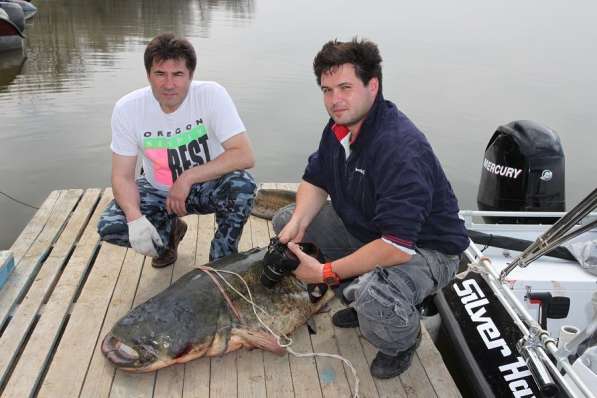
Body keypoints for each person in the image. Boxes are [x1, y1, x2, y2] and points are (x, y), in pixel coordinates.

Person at [273, 38, 469, 379]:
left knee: (375, 295)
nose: (335, 100)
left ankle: (401, 338)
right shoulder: (339, 129)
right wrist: (298, 226)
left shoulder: (400, 149)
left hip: (426, 250)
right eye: (327, 90)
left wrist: (324, 273)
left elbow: (395, 247)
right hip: (372, 229)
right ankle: (363, 300)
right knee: (286, 219)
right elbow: (315, 181)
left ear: (372, 86)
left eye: (345, 87)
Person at [97, 33, 256, 267]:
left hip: (206, 186)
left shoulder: (212, 95)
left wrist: (187, 178)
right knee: (111, 226)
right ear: (148, 75)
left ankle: (222, 261)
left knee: (243, 186)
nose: (169, 84)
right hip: (156, 189)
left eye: (178, 74)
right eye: (160, 74)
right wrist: (134, 216)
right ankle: (167, 238)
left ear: (190, 75)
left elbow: (244, 154)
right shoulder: (127, 109)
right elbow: (122, 176)